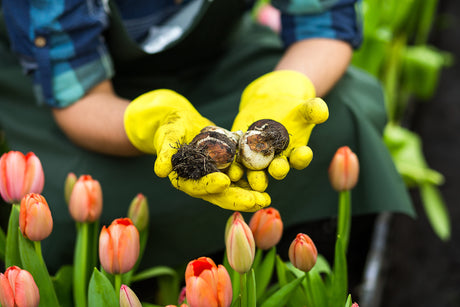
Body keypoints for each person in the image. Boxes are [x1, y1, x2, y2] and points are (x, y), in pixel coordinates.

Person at [0, 0, 414, 273]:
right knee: (76, 193)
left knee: (344, 111)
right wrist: (148, 125)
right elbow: (79, 99)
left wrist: (287, 87)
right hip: (89, 97)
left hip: (216, 57)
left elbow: (323, 20)